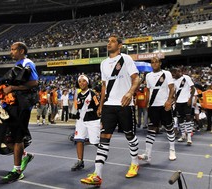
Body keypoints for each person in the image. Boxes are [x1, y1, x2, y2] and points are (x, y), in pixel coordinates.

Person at [80, 34, 140, 186]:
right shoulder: (104, 63)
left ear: (119, 45)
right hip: (109, 106)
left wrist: (130, 93)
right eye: (108, 41)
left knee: (129, 134)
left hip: (125, 104)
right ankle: (97, 175)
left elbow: (136, 78)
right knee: (104, 138)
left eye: (112, 41)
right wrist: (101, 105)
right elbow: (104, 86)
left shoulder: (126, 59)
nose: (109, 43)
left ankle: (135, 162)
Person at [0, 42, 38, 183]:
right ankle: (25, 155)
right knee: (2, 136)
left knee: (17, 138)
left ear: (21, 50)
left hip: (22, 106)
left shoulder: (28, 63)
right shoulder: (19, 64)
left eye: (13, 49)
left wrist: (12, 88)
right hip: (14, 105)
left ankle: (17, 170)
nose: (11, 52)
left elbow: (34, 83)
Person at [138, 56, 176, 162]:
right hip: (153, 106)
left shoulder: (166, 74)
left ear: (160, 63)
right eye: (152, 62)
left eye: (156, 62)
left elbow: (172, 88)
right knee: (151, 129)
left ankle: (172, 150)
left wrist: (169, 101)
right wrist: (147, 103)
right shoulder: (148, 76)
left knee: (169, 128)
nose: (154, 64)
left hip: (164, 105)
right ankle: (147, 154)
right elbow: (149, 90)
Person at [71, 74, 100, 171]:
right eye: (80, 81)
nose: (81, 83)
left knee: (95, 142)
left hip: (92, 120)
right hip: (81, 121)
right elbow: (77, 108)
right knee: (79, 140)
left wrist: (102, 120)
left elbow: (98, 107)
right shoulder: (78, 95)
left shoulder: (93, 94)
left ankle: (102, 155)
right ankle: (80, 161)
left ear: (87, 82)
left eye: (83, 81)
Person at [171, 67, 195, 146]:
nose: (176, 73)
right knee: (180, 120)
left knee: (188, 119)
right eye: (175, 72)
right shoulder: (173, 81)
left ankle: (189, 138)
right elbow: (174, 92)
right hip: (178, 102)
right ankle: (183, 135)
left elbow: (193, 88)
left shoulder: (186, 78)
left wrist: (190, 99)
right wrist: (174, 100)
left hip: (186, 101)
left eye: (178, 71)